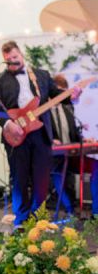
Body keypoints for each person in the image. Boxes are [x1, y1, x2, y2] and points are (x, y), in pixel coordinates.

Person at [0, 41, 81, 226]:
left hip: (40, 133)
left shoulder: (41, 75)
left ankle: (38, 219)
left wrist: (72, 96)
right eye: (8, 60)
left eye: (15, 58)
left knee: (41, 178)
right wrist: (8, 124)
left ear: (21, 54)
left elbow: (57, 95)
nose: (12, 62)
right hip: (15, 135)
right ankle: (21, 221)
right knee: (19, 178)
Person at [50, 74, 79, 216]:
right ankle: (69, 209)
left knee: (72, 177)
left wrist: (81, 140)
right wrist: (51, 139)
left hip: (70, 151)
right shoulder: (44, 111)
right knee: (58, 174)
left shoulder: (68, 107)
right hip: (53, 153)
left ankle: (75, 208)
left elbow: (73, 129)